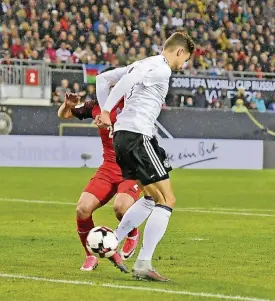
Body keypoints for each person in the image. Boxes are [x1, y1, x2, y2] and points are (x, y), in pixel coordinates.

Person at [95, 32, 195, 281]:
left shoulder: (142, 63)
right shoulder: (159, 67)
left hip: (129, 136)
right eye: (185, 60)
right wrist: (106, 110)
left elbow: (103, 78)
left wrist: (108, 118)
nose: (183, 65)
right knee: (166, 200)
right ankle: (143, 264)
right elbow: (132, 79)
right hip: (137, 136)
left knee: (152, 199)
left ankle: (113, 240)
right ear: (179, 51)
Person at [58, 88, 155, 272]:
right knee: (82, 208)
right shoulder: (95, 106)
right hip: (109, 167)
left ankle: (132, 233)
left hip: (131, 167)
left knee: (121, 208)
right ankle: (90, 255)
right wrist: (67, 105)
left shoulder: (133, 104)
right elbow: (64, 115)